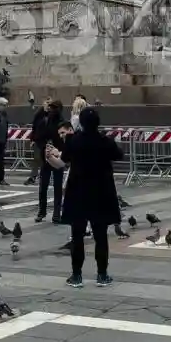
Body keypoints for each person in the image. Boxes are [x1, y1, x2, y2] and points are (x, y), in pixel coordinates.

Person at [57, 106, 122, 288]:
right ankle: (102, 274)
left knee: (77, 235)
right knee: (101, 236)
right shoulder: (105, 141)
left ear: (82, 123)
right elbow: (119, 155)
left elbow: (65, 157)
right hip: (101, 193)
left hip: (78, 192)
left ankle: (76, 275)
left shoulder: (73, 140)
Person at [34, 98, 68, 224]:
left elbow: (67, 140)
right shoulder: (45, 121)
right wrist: (45, 147)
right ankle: (42, 211)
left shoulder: (64, 123)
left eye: (55, 108)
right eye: (51, 108)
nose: (53, 110)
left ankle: (56, 213)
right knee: (43, 186)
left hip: (58, 157)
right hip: (46, 157)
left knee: (58, 187)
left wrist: (60, 151)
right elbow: (38, 137)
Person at [27, 96, 53, 186]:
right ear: (43, 103)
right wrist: (32, 139)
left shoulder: (52, 114)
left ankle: (45, 177)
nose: (48, 105)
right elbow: (34, 127)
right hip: (38, 140)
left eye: (50, 104)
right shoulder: (38, 114)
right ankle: (32, 177)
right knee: (36, 159)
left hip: (48, 141)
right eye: (47, 103)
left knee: (47, 160)